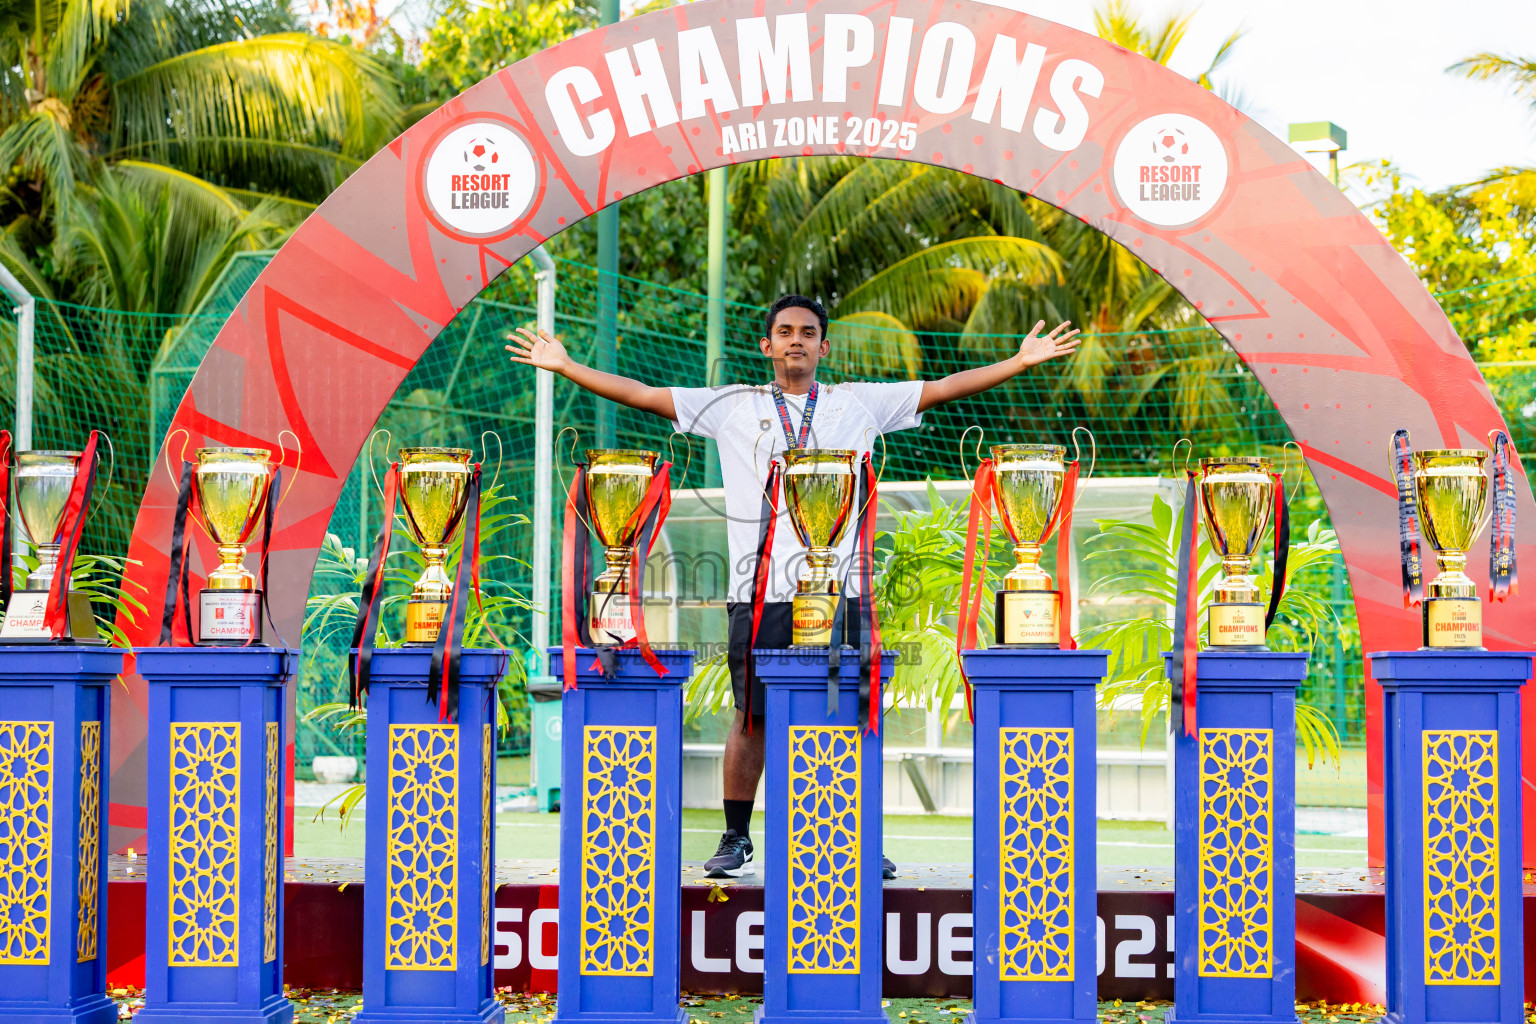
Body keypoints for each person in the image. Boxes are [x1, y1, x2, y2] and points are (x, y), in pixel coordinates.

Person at [508, 294, 1080, 878]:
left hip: (840, 589)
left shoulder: (858, 403)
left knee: (851, 711)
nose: (797, 340)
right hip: (757, 591)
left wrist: (1017, 362)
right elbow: (645, 395)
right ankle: (736, 836)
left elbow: (942, 387)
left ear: (824, 347)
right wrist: (567, 366)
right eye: (784, 331)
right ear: (767, 345)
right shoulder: (733, 406)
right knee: (749, 715)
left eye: (808, 331)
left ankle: (855, 836)